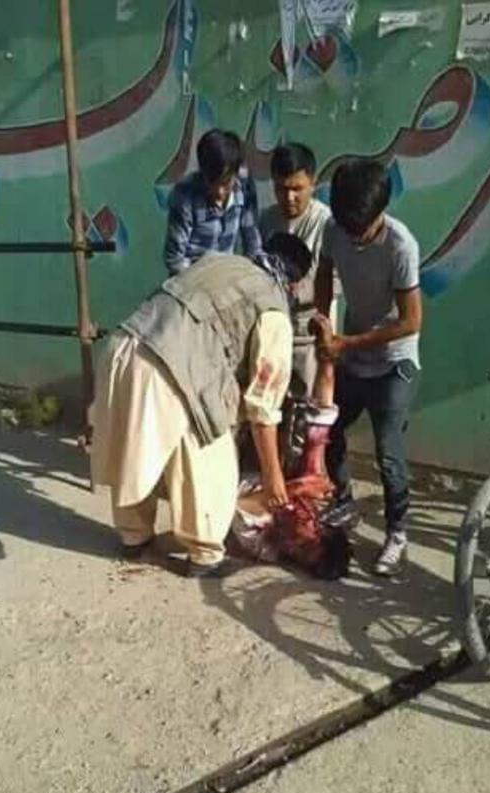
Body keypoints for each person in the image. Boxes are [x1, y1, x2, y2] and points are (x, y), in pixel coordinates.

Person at [91, 234, 313, 577]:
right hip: (171, 369)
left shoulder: (222, 262)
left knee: (134, 447)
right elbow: (263, 408)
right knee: (210, 461)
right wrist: (273, 478)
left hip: (124, 345)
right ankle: (205, 556)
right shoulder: (273, 309)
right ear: (295, 283)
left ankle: (134, 538)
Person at [311, 158, 423, 577]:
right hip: (354, 354)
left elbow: (411, 321)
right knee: (329, 430)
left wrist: (348, 343)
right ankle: (344, 502)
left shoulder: (401, 246)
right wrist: (322, 319)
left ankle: (398, 533)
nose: (354, 238)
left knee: (387, 454)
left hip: (394, 362)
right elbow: (324, 272)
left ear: (380, 211)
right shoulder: (334, 229)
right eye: (348, 229)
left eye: (363, 230)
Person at [259, 142, 334, 397]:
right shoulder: (265, 220)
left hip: (309, 338)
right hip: (271, 333)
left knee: (309, 408)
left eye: (297, 189)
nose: (289, 197)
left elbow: (333, 283)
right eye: (281, 189)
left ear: (313, 183)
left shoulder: (326, 224)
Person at [163, 129, 263, 276]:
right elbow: (174, 260)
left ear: (235, 174)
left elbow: (252, 244)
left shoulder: (245, 185)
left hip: (227, 276)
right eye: (212, 182)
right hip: (191, 278)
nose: (220, 192)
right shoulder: (185, 195)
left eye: (226, 183)